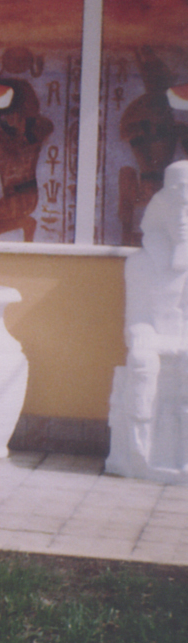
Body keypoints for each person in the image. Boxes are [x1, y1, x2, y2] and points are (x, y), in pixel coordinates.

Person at [108, 159, 188, 479]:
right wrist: (141, 333)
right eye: (175, 208)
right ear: (161, 210)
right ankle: (139, 451)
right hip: (156, 340)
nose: (182, 219)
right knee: (141, 361)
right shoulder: (140, 264)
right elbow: (136, 319)